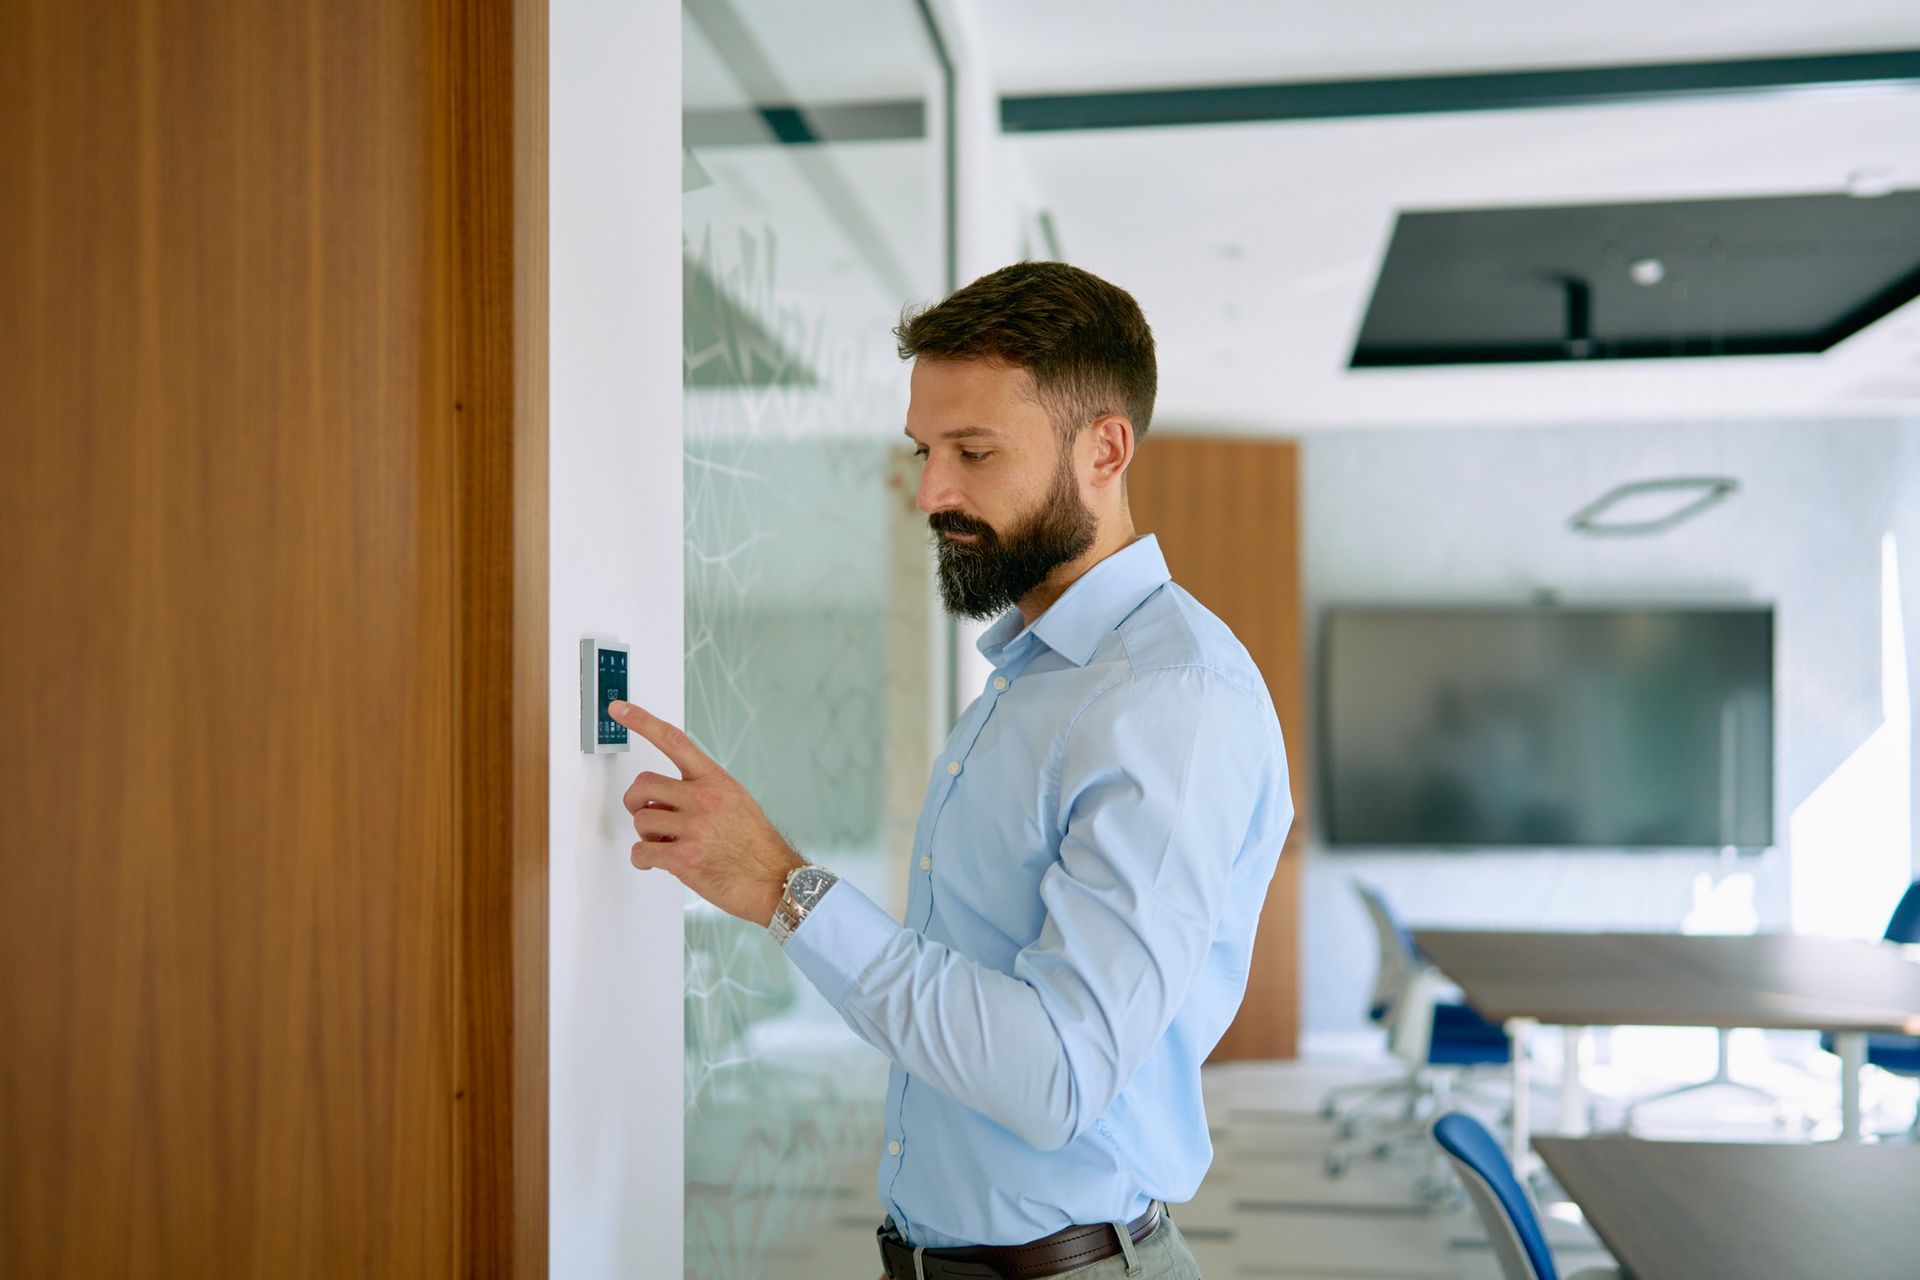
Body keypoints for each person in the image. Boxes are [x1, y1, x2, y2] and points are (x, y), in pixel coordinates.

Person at [611, 260, 1293, 1280]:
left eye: (974, 451)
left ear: (1105, 447)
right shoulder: (1038, 677)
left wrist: (786, 889)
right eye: (926, 449)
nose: (932, 490)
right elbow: (952, 996)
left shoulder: (1167, 698)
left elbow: (1055, 1073)